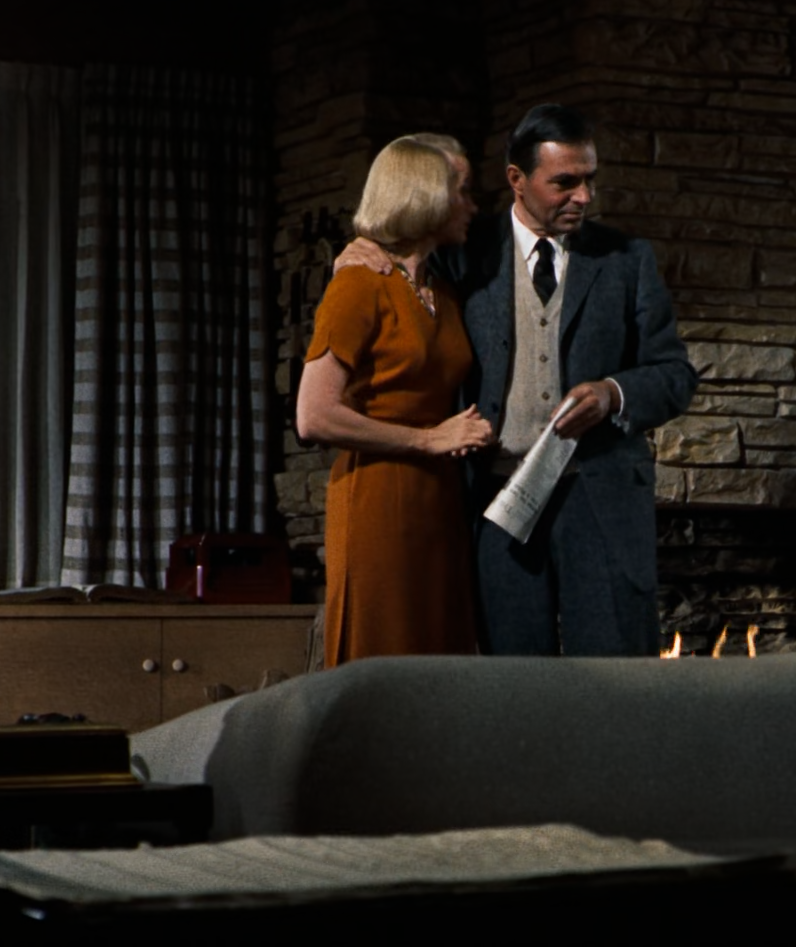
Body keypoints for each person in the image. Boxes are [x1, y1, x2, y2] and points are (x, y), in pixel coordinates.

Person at [340, 104, 697, 656]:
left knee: (615, 676)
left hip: (598, 498)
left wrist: (613, 393)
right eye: (565, 182)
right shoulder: (465, 251)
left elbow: (674, 374)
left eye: (590, 180)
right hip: (496, 499)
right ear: (517, 179)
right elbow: (397, 275)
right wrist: (356, 252)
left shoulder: (627, 259)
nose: (584, 196)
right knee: (513, 677)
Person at [296, 135, 493, 667]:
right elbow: (313, 415)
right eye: (462, 191)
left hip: (439, 498)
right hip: (379, 493)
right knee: (385, 656)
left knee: (439, 658)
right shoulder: (359, 283)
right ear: (425, 195)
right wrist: (427, 439)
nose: (472, 205)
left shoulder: (441, 289)